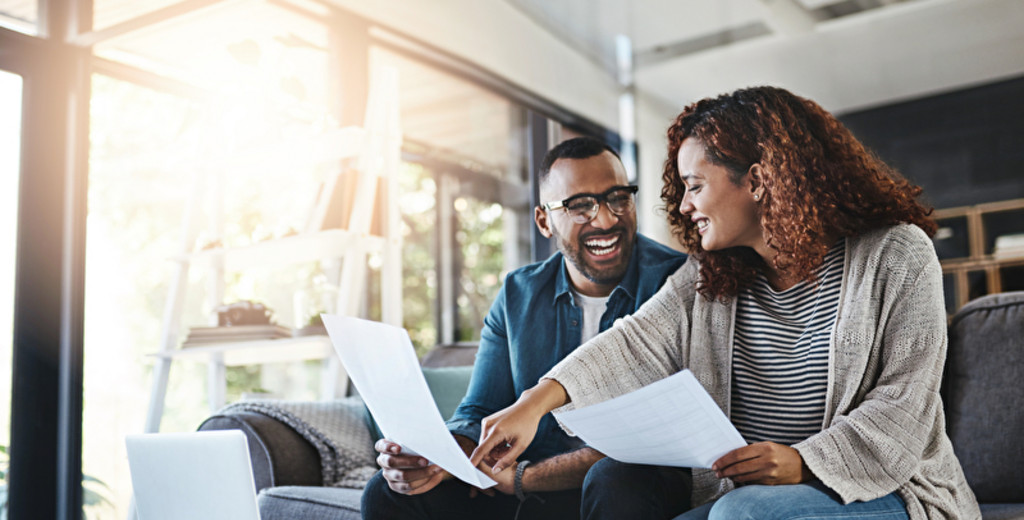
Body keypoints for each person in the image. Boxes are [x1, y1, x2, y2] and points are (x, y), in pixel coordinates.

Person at [471, 86, 982, 520]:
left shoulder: (895, 253)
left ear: (757, 180)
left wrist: (804, 463)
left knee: (743, 513)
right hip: (750, 500)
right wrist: (533, 404)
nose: (685, 205)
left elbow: (903, 407)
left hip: (890, 493)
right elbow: (633, 343)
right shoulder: (710, 275)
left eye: (695, 185)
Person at [361, 136, 688, 519]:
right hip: (519, 485)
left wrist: (524, 478)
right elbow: (479, 408)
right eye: (579, 206)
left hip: (616, 485)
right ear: (544, 221)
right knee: (386, 492)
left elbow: (658, 435)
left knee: (615, 478)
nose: (605, 218)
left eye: (618, 197)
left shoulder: (676, 281)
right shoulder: (518, 293)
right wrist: (438, 456)